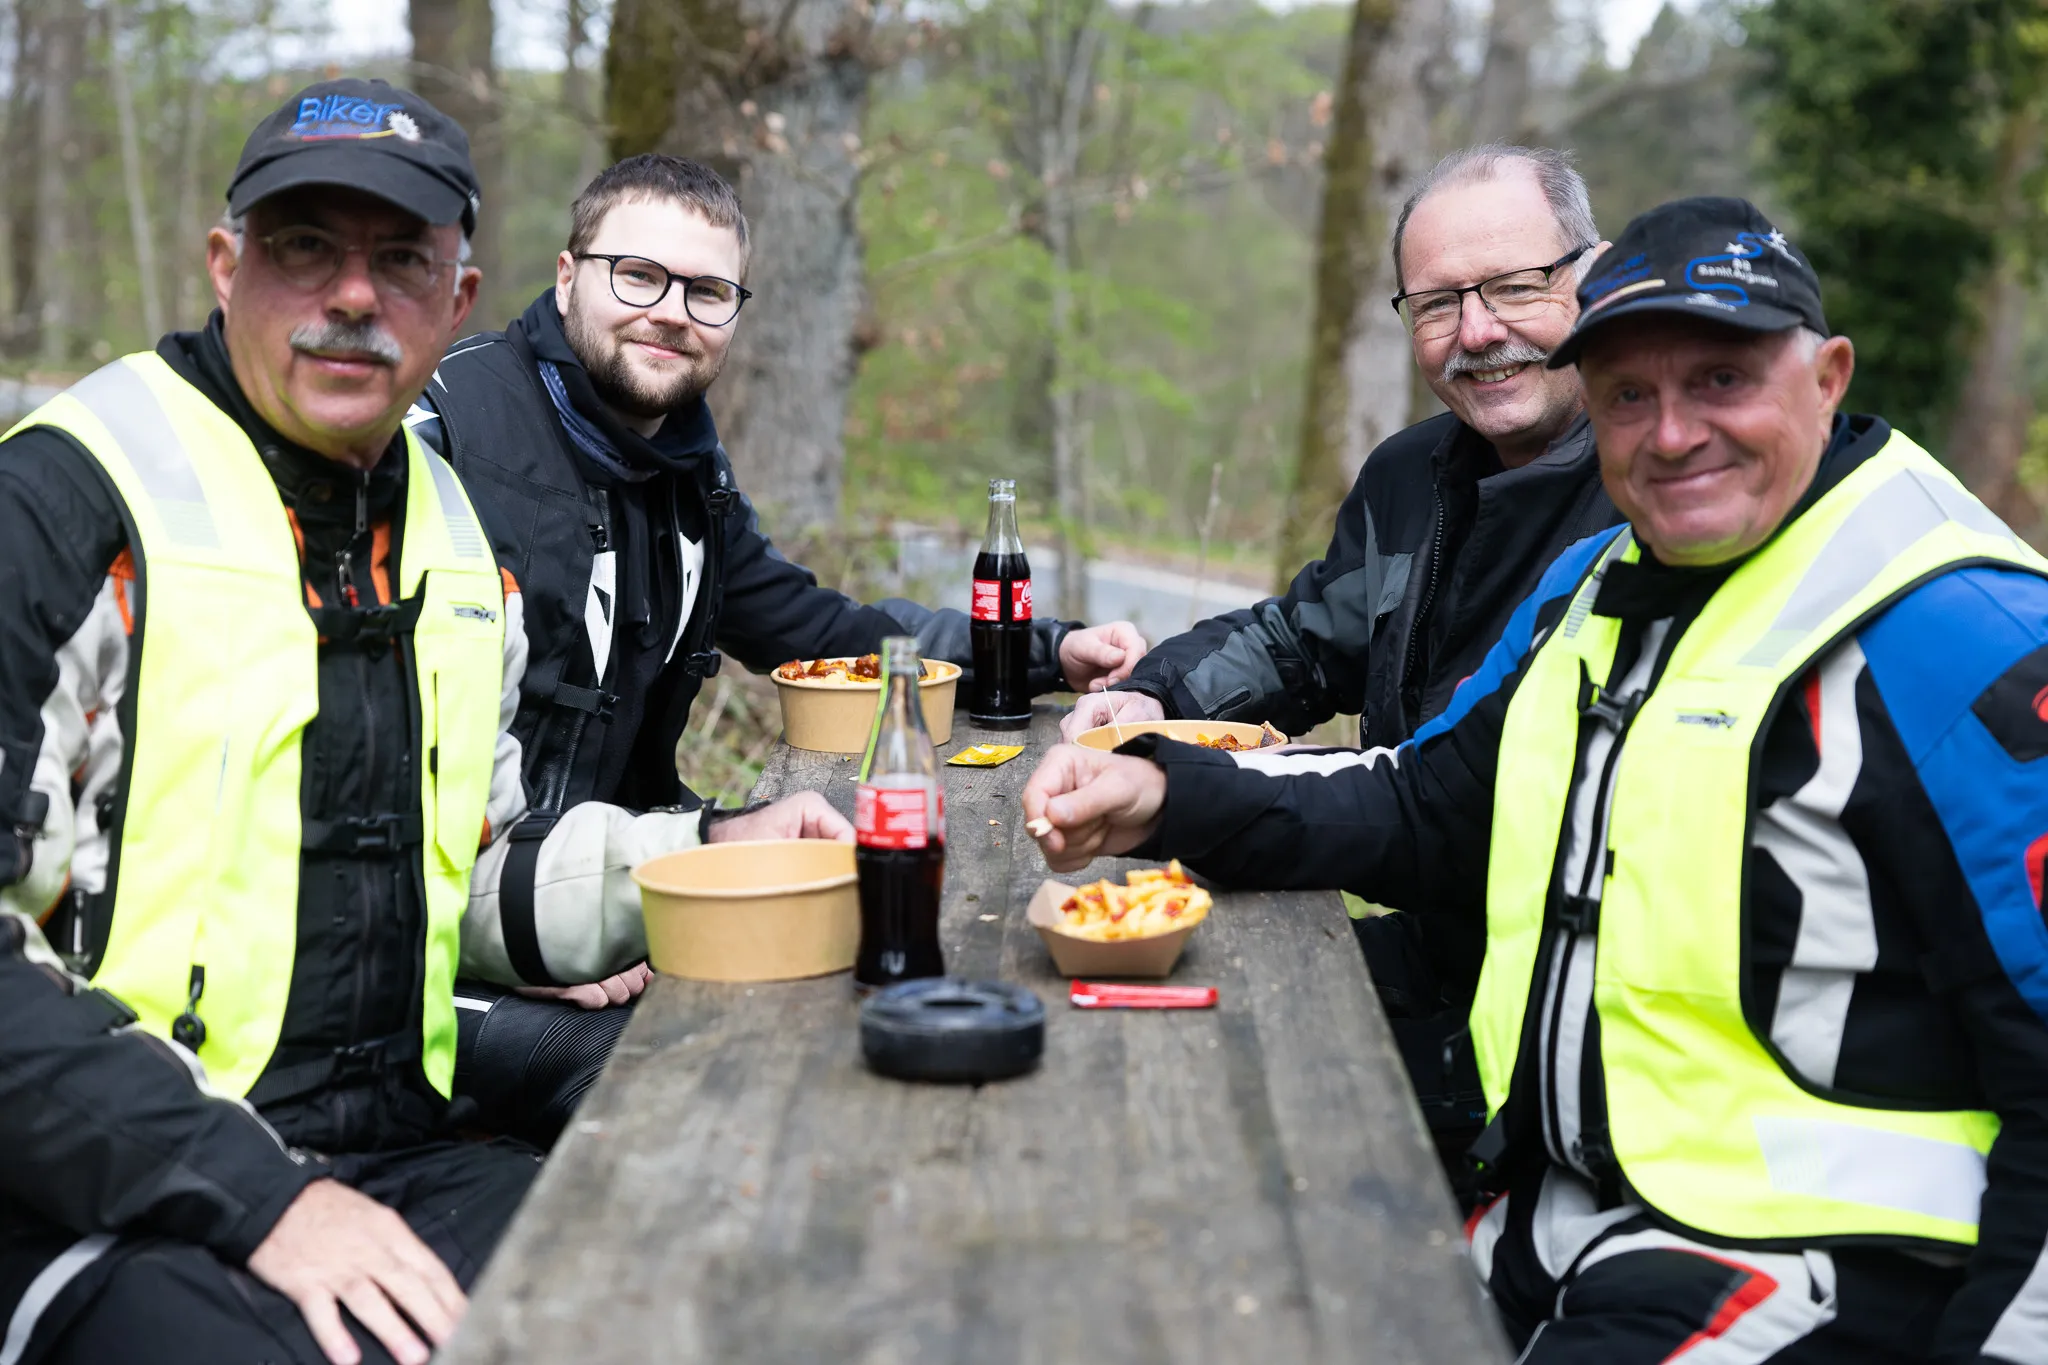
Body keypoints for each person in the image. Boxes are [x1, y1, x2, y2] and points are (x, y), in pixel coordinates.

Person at [1022, 196, 2048, 1361]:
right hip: (1549, 1210)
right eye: (1627, 395)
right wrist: (1161, 792)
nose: (1670, 434)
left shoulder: (1967, 633)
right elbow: (1425, 800)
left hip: (1810, 1268)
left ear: (1825, 378)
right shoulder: (1598, 580)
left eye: (1718, 380)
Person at [0, 79, 846, 1365]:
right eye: (304, 247)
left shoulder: (446, 532)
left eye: (400, 260)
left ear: (457, 300)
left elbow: (476, 871)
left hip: (389, 1152)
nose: (353, 295)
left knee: (717, 1283)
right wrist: (262, 1197)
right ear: (226, 266)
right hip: (91, 1188)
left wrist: (710, 851)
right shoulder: (63, 501)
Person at [406, 154, 1145, 1137]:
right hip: (448, 939)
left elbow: (816, 629)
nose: (671, 313)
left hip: (620, 881)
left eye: (706, 292)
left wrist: (1040, 651)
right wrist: (539, 936)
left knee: (867, 952)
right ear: (567, 275)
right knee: (699, 1073)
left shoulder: (680, 465)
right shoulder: (445, 438)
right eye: (639, 275)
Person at [1078, 143, 1625, 1183]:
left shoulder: (1651, 495)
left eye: (1514, 286)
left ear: (1591, 274)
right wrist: (1152, 696)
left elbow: (1457, 807)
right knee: (1117, 1017)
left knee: (1214, 1106)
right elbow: (1303, 639)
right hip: (1428, 942)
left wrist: (1178, 792)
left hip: (1565, 1009)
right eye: (1436, 304)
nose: (1477, 332)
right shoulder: (1411, 476)